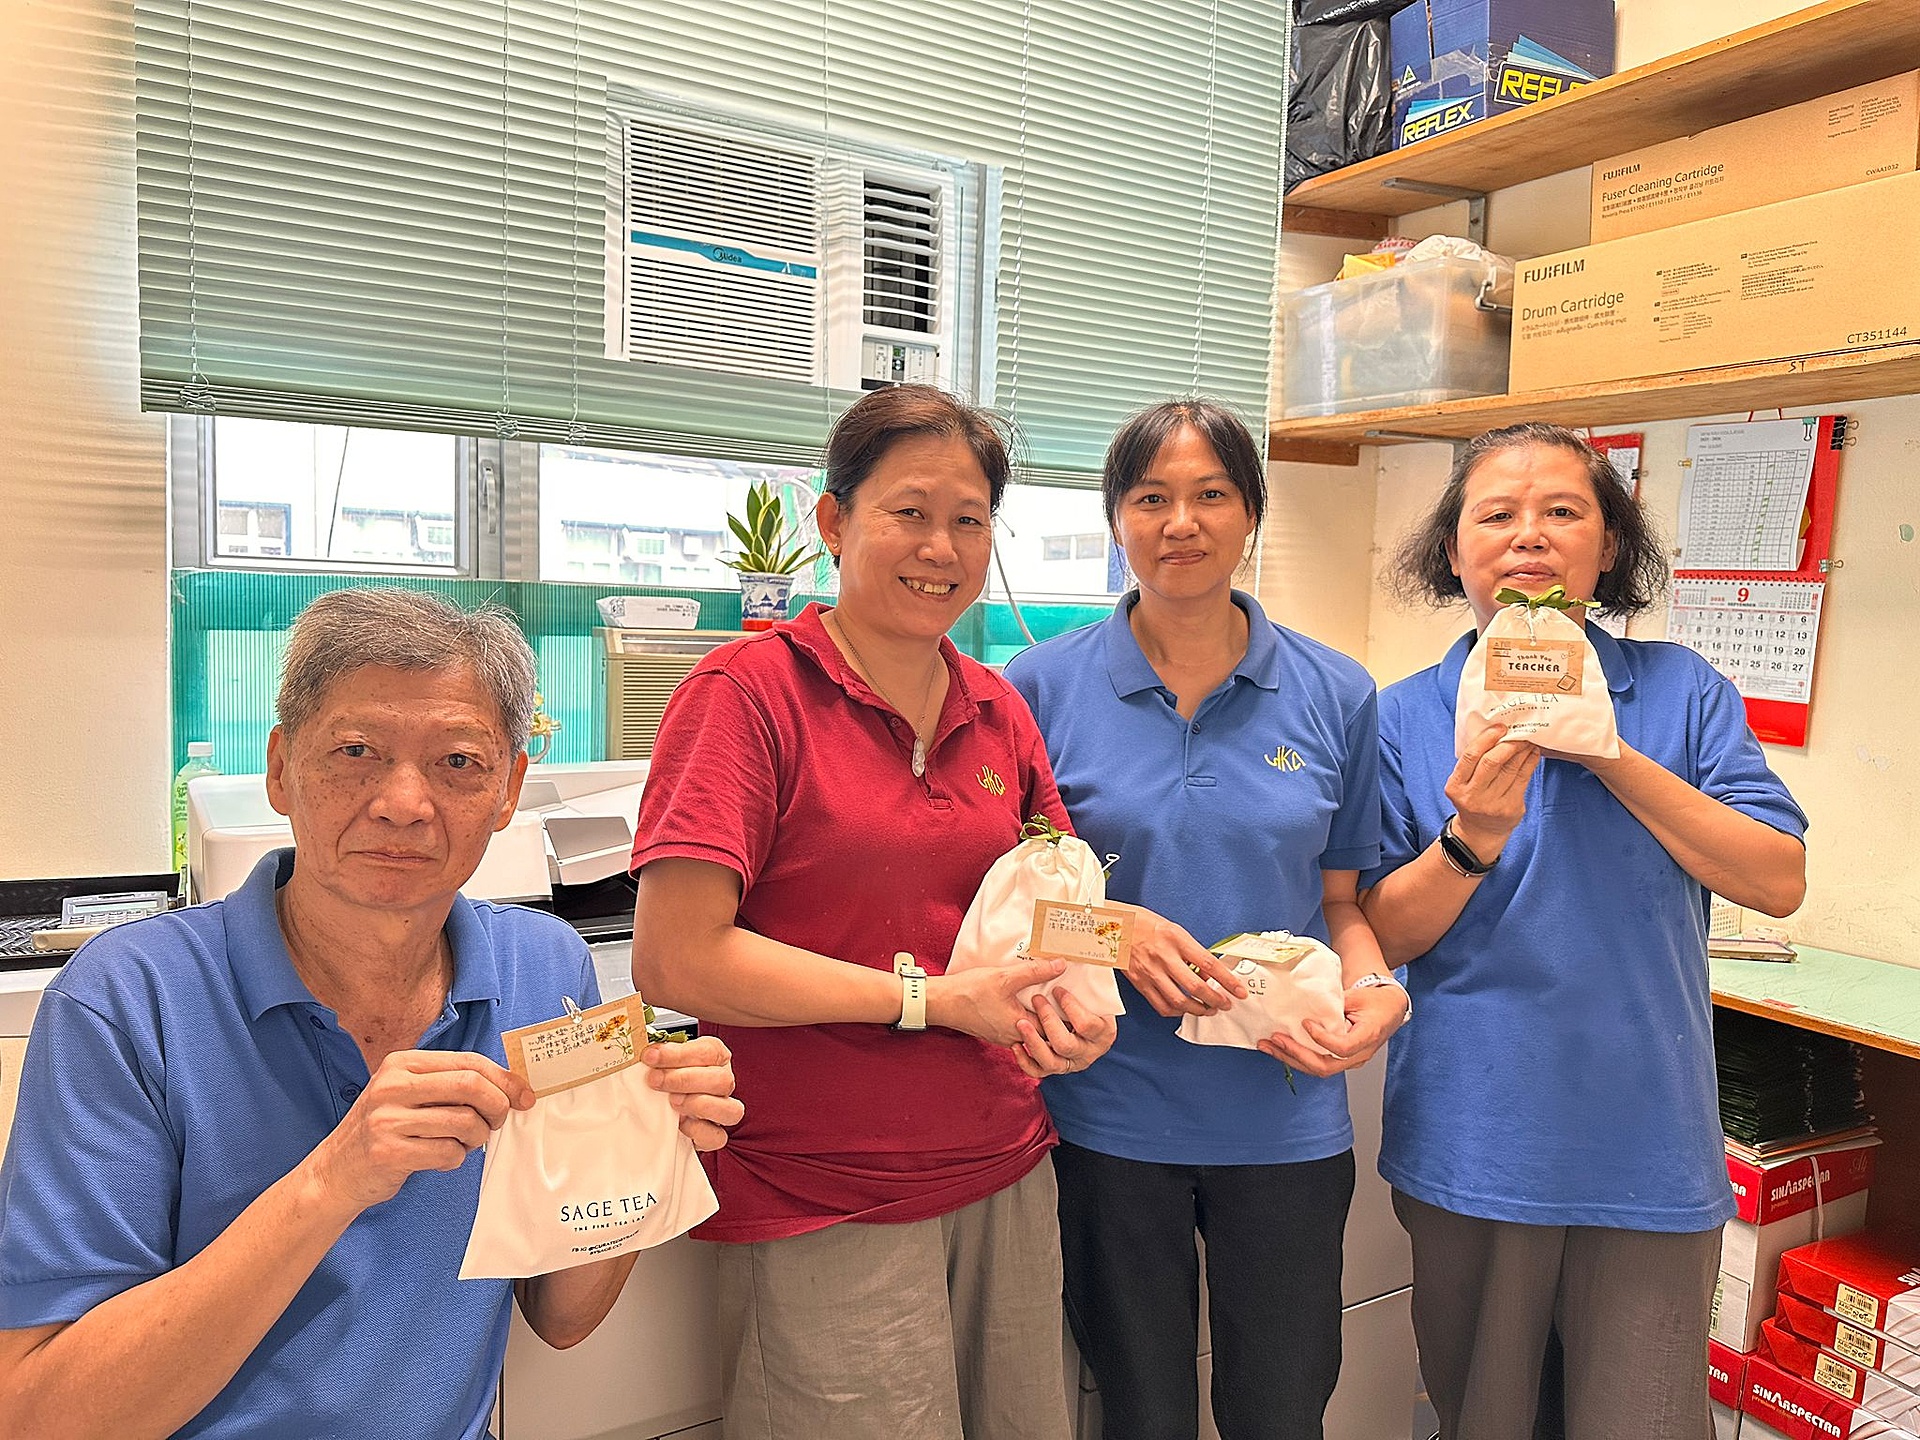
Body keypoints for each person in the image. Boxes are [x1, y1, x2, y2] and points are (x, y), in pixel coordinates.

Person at [0, 589, 743, 1440]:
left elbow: (561, 1314)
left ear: (508, 791)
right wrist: (334, 1179)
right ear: (281, 768)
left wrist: (646, 1145)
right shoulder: (127, 999)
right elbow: (40, 1416)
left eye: (458, 762)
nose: (403, 802)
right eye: (355, 751)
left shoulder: (545, 969)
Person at [630, 384, 1119, 1440]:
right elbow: (677, 960)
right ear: (834, 520)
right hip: (822, 1194)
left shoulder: (997, 706)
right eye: (910, 512)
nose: (940, 547)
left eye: (969, 520)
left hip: (1006, 1167)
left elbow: (1058, 907)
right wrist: (929, 1001)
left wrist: (1093, 995)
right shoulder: (747, 695)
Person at [1358, 423, 1808, 1440]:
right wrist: (1472, 839)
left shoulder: (1680, 690)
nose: (1530, 535)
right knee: (1485, 1417)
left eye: (1563, 511)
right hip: (1474, 1144)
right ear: (1454, 551)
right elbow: (1381, 932)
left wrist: (1609, 752)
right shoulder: (1404, 715)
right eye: (1497, 515)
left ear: (1607, 548)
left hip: (1648, 1148)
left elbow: (1778, 880)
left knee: (1642, 1419)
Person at [1004, 399, 1409, 1440]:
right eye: (1151, 498)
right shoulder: (1037, 689)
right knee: (1138, 1409)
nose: (1180, 523)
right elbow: (1009, 912)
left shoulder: (1336, 692)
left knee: (1281, 1406)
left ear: (1251, 514)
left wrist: (1375, 989)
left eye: (1211, 495)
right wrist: (1117, 934)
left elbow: (1341, 902)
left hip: (1283, 1113)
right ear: (1116, 520)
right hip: (1105, 1116)